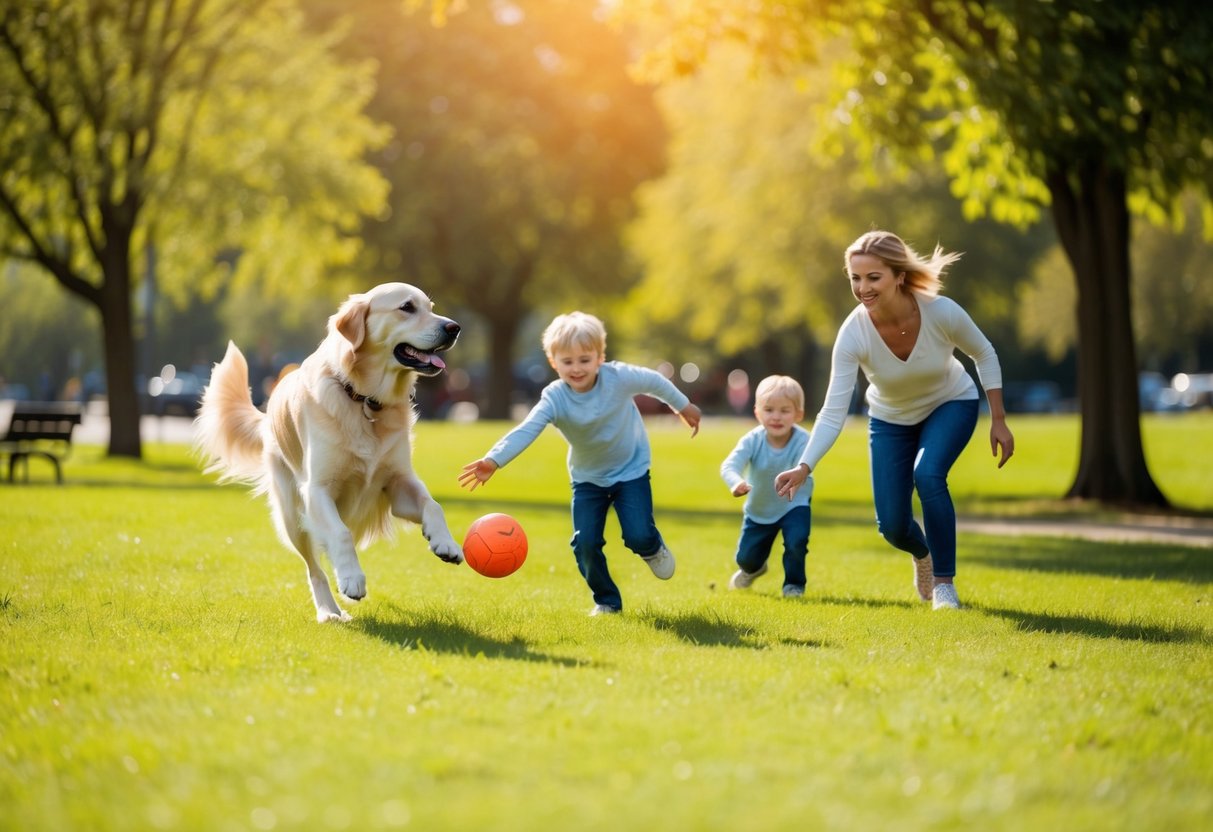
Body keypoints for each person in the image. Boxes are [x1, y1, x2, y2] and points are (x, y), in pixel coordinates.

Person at [774, 230, 1014, 610]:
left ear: (899, 275)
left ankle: (944, 586)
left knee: (929, 474)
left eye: (873, 277)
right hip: (889, 420)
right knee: (892, 526)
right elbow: (834, 409)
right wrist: (805, 466)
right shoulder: (853, 333)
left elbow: (983, 353)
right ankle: (923, 554)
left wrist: (997, 418)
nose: (862, 287)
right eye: (855, 278)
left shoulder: (940, 311)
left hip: (950, 403)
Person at [459, 311, 702, 616]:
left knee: (638, 535)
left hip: (631, 470)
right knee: (585, 544)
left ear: (600, 357)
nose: (576, 368)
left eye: (584, 360)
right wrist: (494, 459)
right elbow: (528, 428)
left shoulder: (619, 378)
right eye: (568, 361)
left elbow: (655, 382)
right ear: (553, 362)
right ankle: (607, 601)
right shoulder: (554, 398)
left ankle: (652, 548)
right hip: (587, 480)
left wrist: (684, 405)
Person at [720, 375, 813, 598]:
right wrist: (737, 482)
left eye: (785, 410)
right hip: (760, 509)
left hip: (794, 504)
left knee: (796, 542)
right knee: (746, 559)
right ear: (757, 412)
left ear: (798, 414)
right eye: (769, 409)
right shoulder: (753, 440)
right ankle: (754, 569)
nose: (776, 417)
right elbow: (729, 465)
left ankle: (794, 585)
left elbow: (809, 462)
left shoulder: (804, 440)